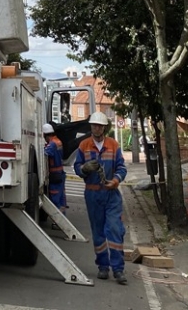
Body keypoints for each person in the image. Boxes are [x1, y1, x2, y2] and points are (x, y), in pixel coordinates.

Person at [73, 111, 128, 285]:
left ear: (104, 127)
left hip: (111, 195)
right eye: (93, 125)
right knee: (98, 233)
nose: (96, 128)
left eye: (99, 125)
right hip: (93, 194)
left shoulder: (113, 145)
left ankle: (118, 269)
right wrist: (84, 169)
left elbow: (121, 167)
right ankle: (103, 267)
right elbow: (77, 167)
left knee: (114, 229)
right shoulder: (84, 145)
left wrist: (116, 180)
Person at [43, 123, 66, 221]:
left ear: (46, 135)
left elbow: (45, 152)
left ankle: (58, 221)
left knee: (55, 198)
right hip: (60, 173)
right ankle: (63, 219)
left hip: (54, 175)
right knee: (61, 198)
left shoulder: (52, 144)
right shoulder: (58, 141)